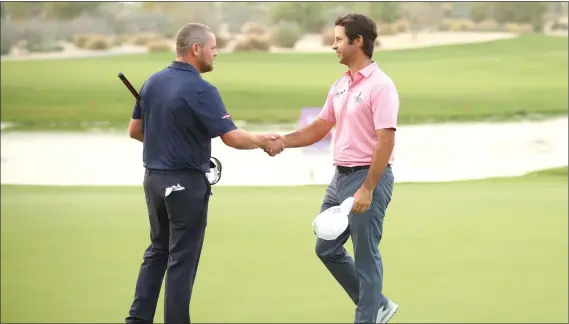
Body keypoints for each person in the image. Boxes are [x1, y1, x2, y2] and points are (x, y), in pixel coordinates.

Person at [125, 22, 283, 324]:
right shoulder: (201, 88)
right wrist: (265, 140)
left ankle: (137, 320)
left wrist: (169, 139)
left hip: (154, 182)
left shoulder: (152, 82)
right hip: (186, 184)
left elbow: (136, 131)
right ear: (195, 49)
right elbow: (232, 137)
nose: (216, 53)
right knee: (182, 260)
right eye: (213, 48)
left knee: (158, 250)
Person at [265, 13, 400, 323]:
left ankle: (367, 316)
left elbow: (386, 141)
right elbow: (319, 128)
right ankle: (377, 304)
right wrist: (282, 141)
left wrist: (368, 187)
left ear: (358, 41)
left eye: (339, 39)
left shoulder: (381, 86)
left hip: (368, 178)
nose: (334, 45)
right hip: (339, 178)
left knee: (366, 256)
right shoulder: (340, 86)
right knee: (326, 248)